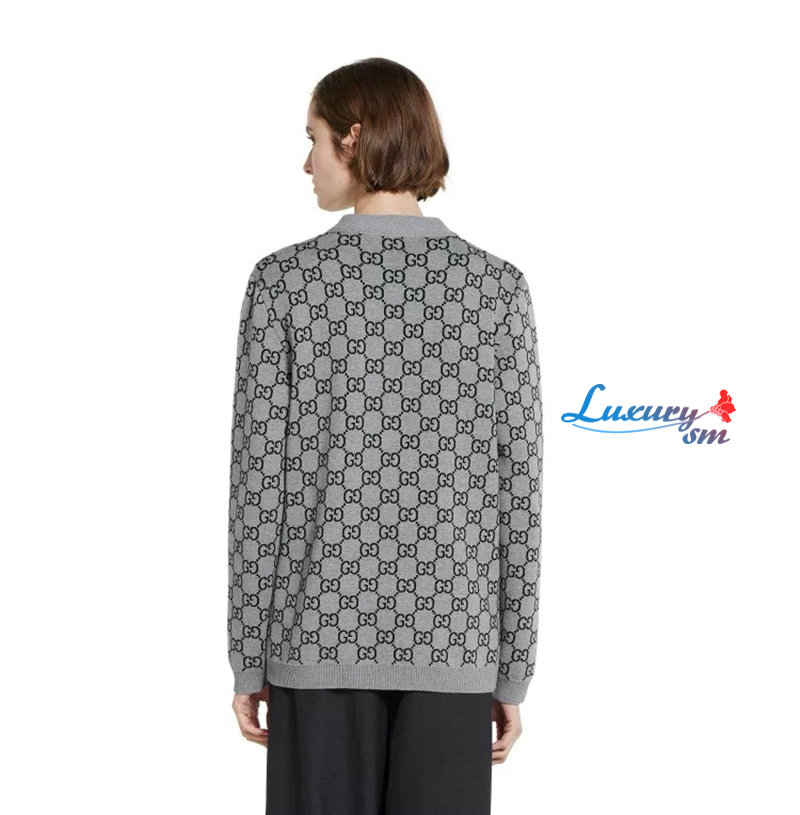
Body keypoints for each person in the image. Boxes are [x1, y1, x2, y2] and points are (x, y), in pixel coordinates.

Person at [227, 57, 544, 815]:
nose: (306, 162)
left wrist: (247, 657)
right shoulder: (497, 289)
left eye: (313, 138)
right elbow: (520, 493)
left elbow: (256, 487)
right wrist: (513, 667)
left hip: (314, 643)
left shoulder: (284, 283)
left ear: (354, 136)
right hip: (457, 643)